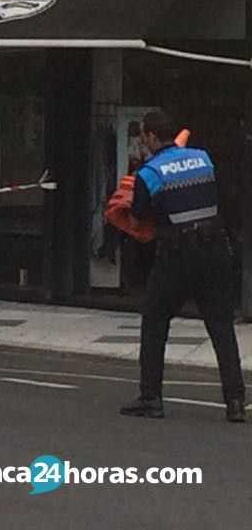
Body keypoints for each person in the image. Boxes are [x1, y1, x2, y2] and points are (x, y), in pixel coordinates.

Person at [120, 110, 245, 423]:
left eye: (143, 135)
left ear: (151, 136)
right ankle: (235, 401)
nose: (143, 141)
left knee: (155, 321)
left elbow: (136, 220)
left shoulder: (149, 172)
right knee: (221, 326)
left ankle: (151, 398)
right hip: (215, 249)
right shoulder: (203, 158)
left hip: (177, 255)